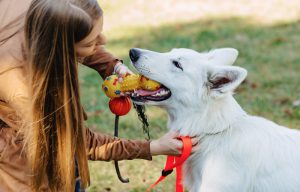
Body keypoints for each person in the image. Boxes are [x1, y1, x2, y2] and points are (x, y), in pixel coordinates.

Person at [0, 0, 199, 191]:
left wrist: (114, 66)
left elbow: (75, 28)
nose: (103, 41)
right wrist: (153, 147)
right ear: (62, 49)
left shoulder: (47, 8)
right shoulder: (23, 89)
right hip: (26, 170)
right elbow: (82, 143)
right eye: (92, 42)